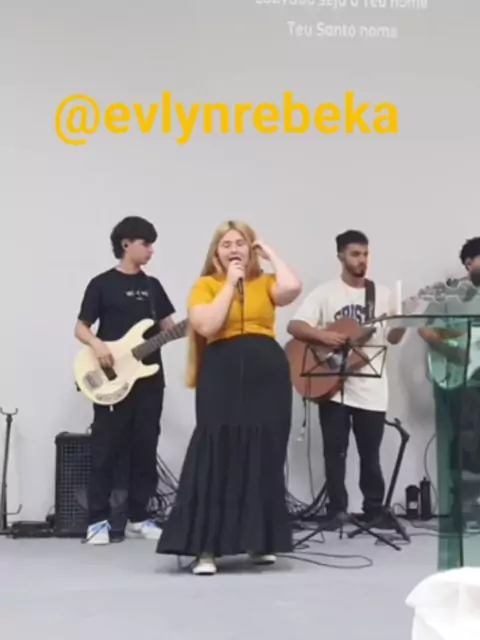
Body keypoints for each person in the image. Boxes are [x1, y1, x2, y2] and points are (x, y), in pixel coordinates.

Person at [156, 220, 302, 575]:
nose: (234, 249)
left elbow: (291, 288)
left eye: (241, 243)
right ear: (216, 254)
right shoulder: (205, 286)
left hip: (267, 374)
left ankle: (259, 540)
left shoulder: (265, 283)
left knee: (265, 452)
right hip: (222, 372)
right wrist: (229, 284)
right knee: (217, 451)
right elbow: (206, 325)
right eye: (226, 244)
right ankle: (206, 548)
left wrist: (269, 253)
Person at [286, 230, 405, 530]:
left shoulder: (384, 295)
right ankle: (336, 510)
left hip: (372, 387)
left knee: (370, 453)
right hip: (333, 386)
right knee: (334, 452)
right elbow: (295, 326)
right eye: (355, 254)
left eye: (365, 254)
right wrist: (325, 336)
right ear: (340, 256)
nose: (362, 260)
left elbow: (393, 337)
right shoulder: (326, 293)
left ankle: (374, 509)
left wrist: (402, 321)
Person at [74, 216, 177, 545]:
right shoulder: (101, 284)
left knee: (145, 447)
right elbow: (81, 328)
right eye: (146, 243)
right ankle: (97, 521)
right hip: (111, 380)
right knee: (106, 448)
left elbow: (169, 328)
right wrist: (97, 344)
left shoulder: (153, 287)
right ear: (126, 244)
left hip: (149, 378)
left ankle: (139, 517)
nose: (151, 250)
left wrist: (198, 324)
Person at [418, 237, 480, 531]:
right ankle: (464, 508)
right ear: (469, 263)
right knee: (466, 440)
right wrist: (454, 350)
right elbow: (427, 331)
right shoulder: (449, 293)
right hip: (460, 378)